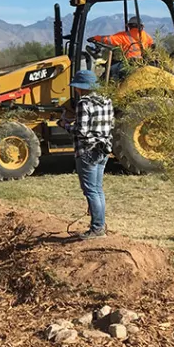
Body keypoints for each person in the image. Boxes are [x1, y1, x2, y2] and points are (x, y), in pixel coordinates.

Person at [62, 69, 114, 239]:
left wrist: (65, 125)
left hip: (87, 151)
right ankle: (99, 224)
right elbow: (108, 125)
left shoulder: (84, 103)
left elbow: (81, 132)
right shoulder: (107, 101)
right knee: (97, 189)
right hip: (103, 149)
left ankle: (97, 228)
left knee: (91, 190)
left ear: (80, 88)